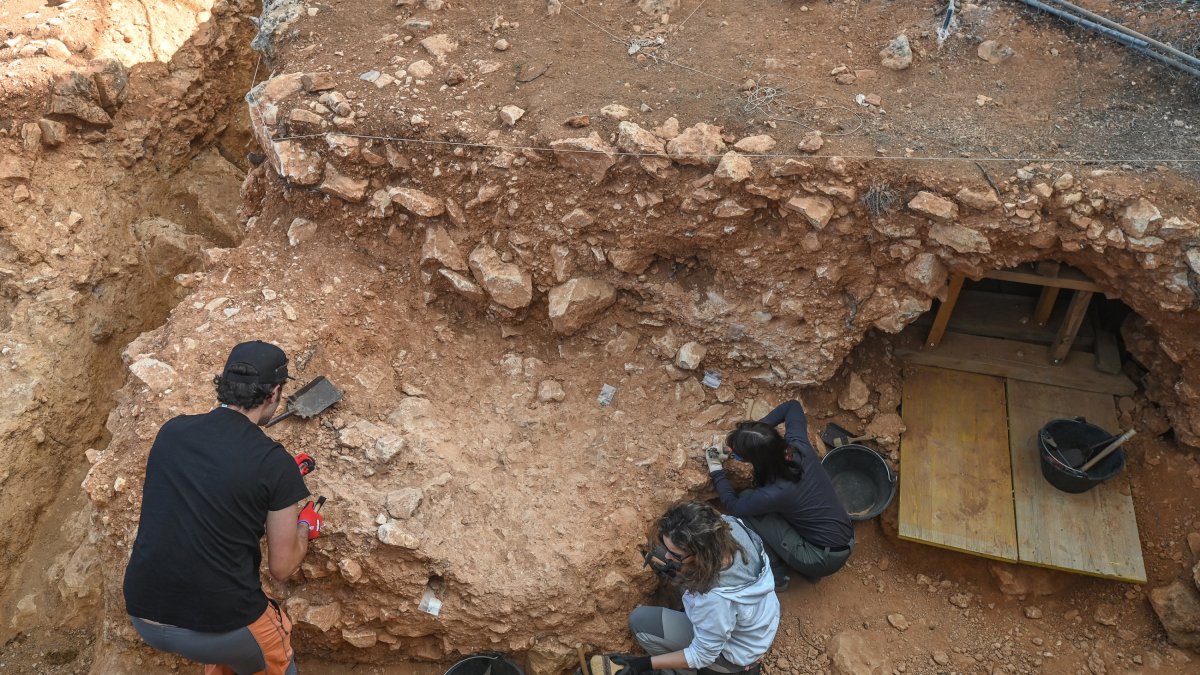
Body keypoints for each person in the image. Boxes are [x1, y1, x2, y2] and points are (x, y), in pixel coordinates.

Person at [123, 340, 324, 675]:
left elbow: (212, 481)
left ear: (225, 385)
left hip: (145, 613)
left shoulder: (172, 432)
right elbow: (282, 567)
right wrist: (305, 525)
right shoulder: (274, 466)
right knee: (275, 653)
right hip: (222, 626)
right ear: (274, 393)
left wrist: (277, 480)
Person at [612, 501, 779, 675]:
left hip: (732, 655)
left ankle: (682, 672)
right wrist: (678, 567)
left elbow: (702, 655)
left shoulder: (715, 599)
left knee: (641, 621)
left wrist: (642, 664)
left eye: (676, 554)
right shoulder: (729, 527)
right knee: (659, 555)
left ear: (701, 555)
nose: (668, 556)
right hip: (757, 626)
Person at [705, 400, 853, 588]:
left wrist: (716, 468)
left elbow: (734, 505)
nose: (735, 455)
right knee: (757, 502)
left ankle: (779, 575)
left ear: (757, 459)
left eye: (739, 454)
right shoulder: (798, 446)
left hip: (822, 557)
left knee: (746, 511)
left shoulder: (774, 493)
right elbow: (793, 406)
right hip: (842, 536)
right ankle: (802, 564)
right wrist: (759, 434)